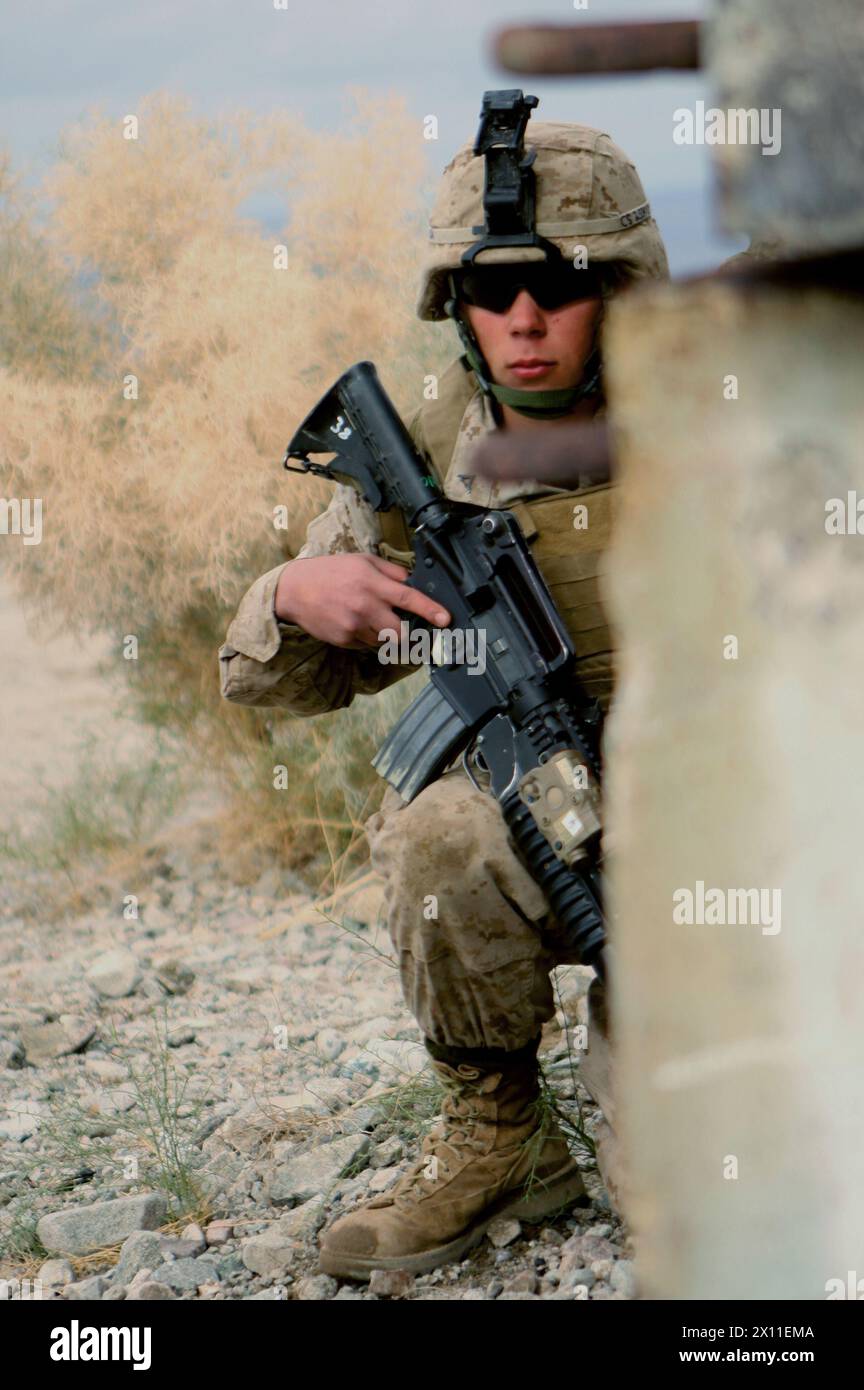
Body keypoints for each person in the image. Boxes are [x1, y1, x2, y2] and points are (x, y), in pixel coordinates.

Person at [219, 104, 669, 1280]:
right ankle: (500, 1140)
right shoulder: (422, 456)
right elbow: (266, 682)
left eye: (559, 284)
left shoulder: (709, 423)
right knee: (438, 832)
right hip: (545, 820)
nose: (524, 320)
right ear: (453, 307)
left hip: (718, 828)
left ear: (618, 287)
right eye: (492, 290)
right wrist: (293, 595)